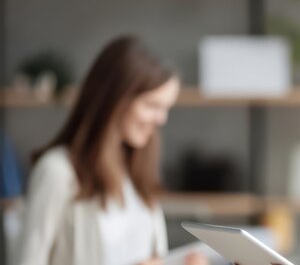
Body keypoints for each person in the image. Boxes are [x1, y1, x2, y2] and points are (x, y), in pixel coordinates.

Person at [17, 36, 205, 265]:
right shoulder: (57, 172)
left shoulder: (136, 171)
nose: (161, 119)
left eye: (166, 108)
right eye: (152, 105)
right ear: (115, 99)